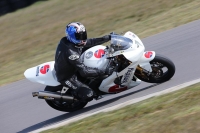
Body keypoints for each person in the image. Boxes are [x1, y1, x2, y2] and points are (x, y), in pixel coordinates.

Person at [54, 22, 111, 102]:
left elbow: (90, 42)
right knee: (89, 95)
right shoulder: (71, 52)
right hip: (68, 77)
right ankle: (76, 95)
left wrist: (107, 38)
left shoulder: (74, 42)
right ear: (71, 36)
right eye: (79, 36)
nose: (82, 38)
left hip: (73, 66)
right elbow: (85, 72)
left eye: (83, 35)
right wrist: (105, 71)